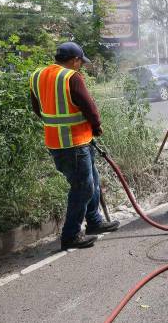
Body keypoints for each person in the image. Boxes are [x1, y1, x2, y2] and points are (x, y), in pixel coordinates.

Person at [30, 42, 119, 250]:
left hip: (57, 142)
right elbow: (89, 106)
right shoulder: (71, 77)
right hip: (74, 143)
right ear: (75, 60)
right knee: (83, 187)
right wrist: (96, 126)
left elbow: (37, 109)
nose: (80, 67)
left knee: (92, 180)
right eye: (80, 62)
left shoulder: (37, 75)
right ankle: (70, 235)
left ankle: (95, 222)